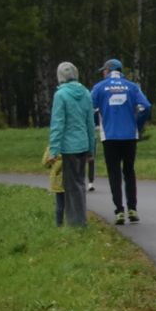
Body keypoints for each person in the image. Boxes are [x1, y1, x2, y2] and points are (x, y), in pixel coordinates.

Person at [92, 57, 151, 223]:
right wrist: (137, 125)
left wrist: (95, 123)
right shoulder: (132, 87)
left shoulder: (99, 87)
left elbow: (88, 107)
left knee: (114, 173)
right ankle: (133, 208)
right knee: (129, 171)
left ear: (108, 71)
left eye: (104, 70)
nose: (103, 73)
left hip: (109, 135)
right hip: (129, 135)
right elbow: (146, 106)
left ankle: (119, 210)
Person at [45, 62, 95, 228]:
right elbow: (90, 123)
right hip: (83, 144)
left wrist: (53, 150)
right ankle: (81, 220)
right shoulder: (86, 93)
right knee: (80, 183)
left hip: (69, 147)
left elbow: (57, 124)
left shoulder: (61, 95)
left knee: (71, 186)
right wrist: (91, 149)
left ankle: (76, 223)